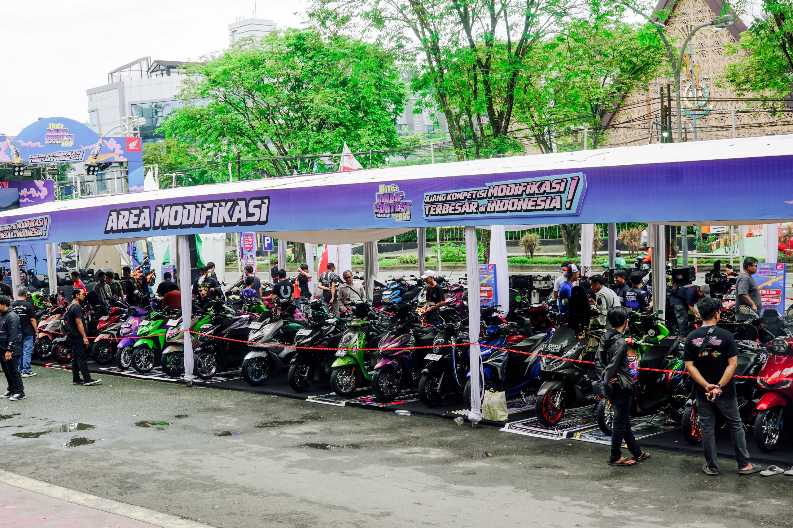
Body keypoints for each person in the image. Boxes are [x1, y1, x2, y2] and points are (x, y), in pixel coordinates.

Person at [684, 297, 760, 476]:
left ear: (700, 314)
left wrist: (706, 385)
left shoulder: (691, 337)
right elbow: (732, 365)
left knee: (707, 426)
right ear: (717, 314)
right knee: (735, 424)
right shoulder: (726, 336)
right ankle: (744, 465)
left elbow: (689, 366)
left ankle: (712, 466)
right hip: (725, 390)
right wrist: (718, 386)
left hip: (702, 391)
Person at [599, 307, 649, 466]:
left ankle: (637, 452)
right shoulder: (621, 342)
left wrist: (605, 380)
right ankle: (615, 456)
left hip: (613, 385)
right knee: (620, 422)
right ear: (625, 322)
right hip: (621, 385)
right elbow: (613, 366)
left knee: (623, 420)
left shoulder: (605, 337)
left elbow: (598, 361)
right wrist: (608, 379)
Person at [64, 289, 101, 387]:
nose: (84, 296)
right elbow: (79, 323)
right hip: (77, 335)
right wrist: (84, 337)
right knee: (81, 357)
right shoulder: (76, 307)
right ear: (77, 295)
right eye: (82, 294)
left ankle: (76, 379)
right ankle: (87, 379)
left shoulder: (70, 306)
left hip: (72, 335)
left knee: (75, 357)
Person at [0, 295, 24, 401]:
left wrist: (9, 350)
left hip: (11, 349)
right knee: (7, 371)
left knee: (13, 370)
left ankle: (20, 392)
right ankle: (12, 389)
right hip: (2, 348)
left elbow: (13, 335)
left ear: (3, 304)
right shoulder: (2, 315)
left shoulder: (12, 316)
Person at [12, 289, 37, 378]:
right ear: (25, 295)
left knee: (19, 351)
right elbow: (32, 319)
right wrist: (36, 330)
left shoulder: (12, 305)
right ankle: (26, 371)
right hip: (27, 331)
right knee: (27, 351)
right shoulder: (28, 305)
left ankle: (19, 370)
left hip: (16, 332)